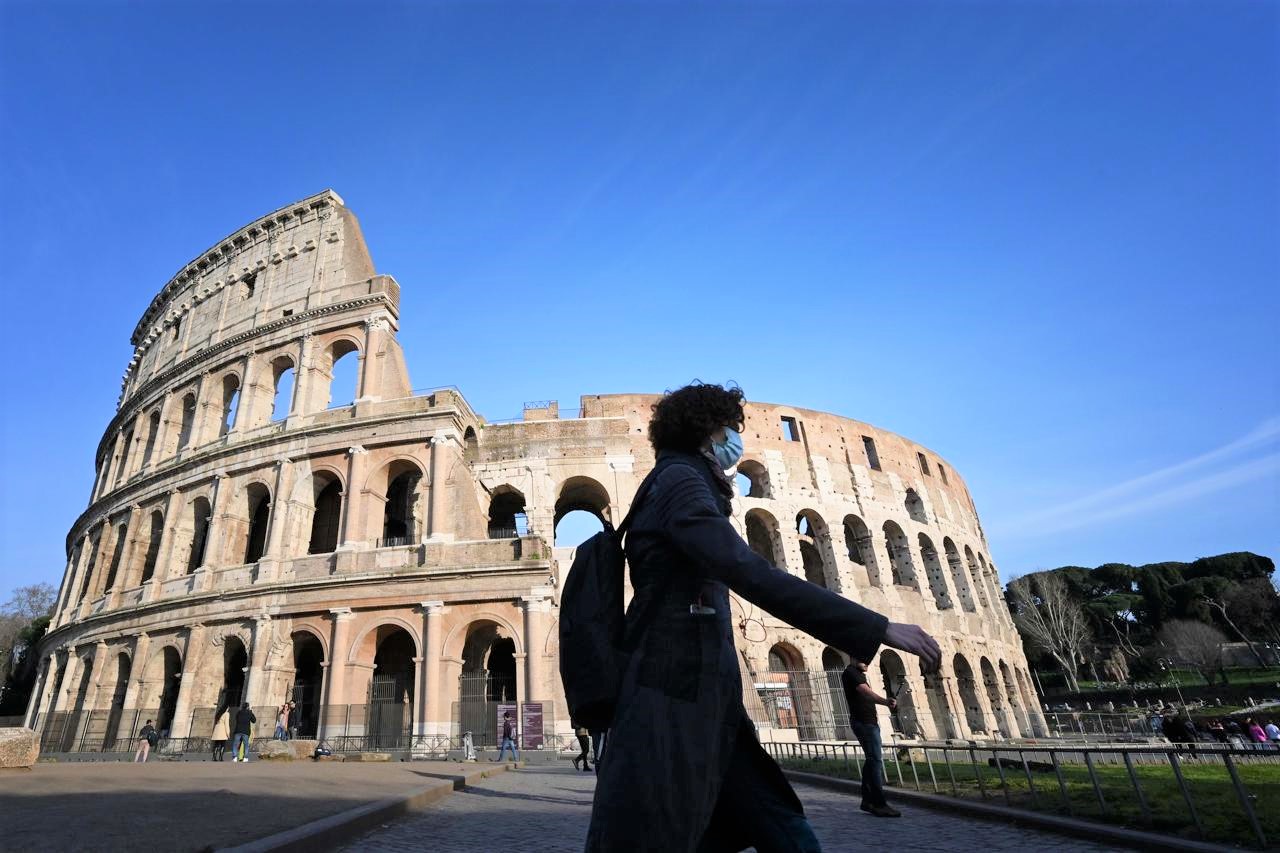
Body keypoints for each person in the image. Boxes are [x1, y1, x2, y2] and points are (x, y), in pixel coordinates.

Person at [585, 384, 941, 853]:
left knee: (776, 822)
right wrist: (877, 627)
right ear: (708, 431)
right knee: (673, 830)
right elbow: (746, 569)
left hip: (698, 694)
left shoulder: (673, 480)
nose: (736, 439)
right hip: (676, 689)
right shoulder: (681, 482)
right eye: (730, 428)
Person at [840, 660, 899, 818]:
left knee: (871, 760)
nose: (867, 663)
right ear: (854, 656)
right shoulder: (851, 672)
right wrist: (885, 702)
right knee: (875, 761)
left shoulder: (858, 673)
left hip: (868, 722)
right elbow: (866, 692)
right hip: (864, 723)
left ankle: (868, 801)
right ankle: (879, 803)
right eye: (864, 659)